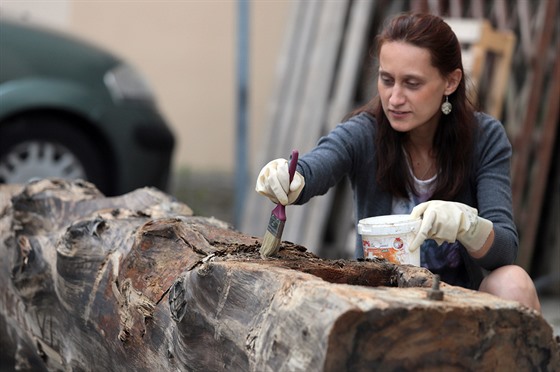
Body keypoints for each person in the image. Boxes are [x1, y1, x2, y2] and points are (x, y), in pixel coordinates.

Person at [255, 12, 541, 311]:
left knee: (513, 282)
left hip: (460, 305)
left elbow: (505, 251)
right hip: (382, 304)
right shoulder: (364, 132)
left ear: (451, 82)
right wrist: (290, 176)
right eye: (386, 80)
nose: (394, 98)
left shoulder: (484, 138)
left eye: (412, 83)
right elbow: (316, 168)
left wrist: (467, 226)